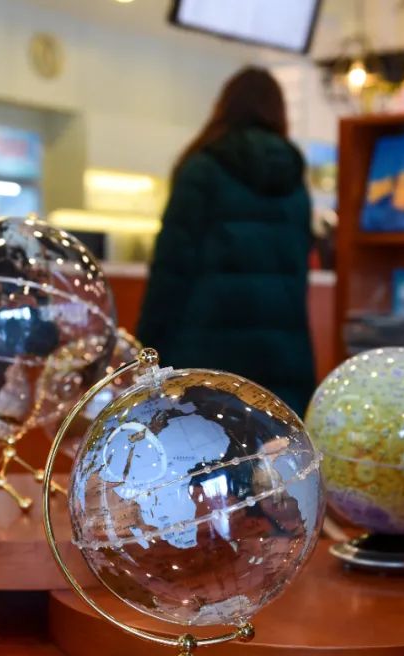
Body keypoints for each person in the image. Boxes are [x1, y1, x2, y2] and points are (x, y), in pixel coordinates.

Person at [136, 66, 316, 413]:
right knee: (273, 446)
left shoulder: (202, 168)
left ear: (224, 106)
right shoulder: (295, 181)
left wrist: (148, 347)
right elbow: (298, 276)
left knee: (200, 444)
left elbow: (171, 270)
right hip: (283, 357)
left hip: (205, 355)